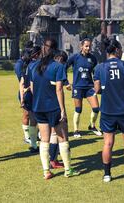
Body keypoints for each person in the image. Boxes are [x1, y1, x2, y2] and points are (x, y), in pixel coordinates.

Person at [30, 38, 79, 179]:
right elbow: (59, 89)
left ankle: (46, 171)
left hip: (38, 107)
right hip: (53, 107)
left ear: (43, 48)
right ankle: (68, 170)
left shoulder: (34, 66)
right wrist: (62, 109)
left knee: (44, 140)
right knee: (62, 137)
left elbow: (33, 88)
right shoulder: (58, 67)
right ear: (55, 50)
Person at [94, 38, 124, 183]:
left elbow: (96, 89)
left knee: (108, 143)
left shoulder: (100, 67)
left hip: (108, 110)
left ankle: (107, 175)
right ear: (117, 50)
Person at [66, 38, 102, 138]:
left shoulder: (93, 58)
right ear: (81, 46)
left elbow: (96, 73)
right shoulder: (75, 57)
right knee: (78, 109)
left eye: (89, 46)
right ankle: (76, 130)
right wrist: (66, 82)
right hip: (78, 87)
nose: (88, 48)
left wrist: (97, 83)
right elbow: (64, 68)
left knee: (96, 108)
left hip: (89, 87)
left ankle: (92, 126)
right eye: (86, 46)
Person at [16, 46, 38, 151]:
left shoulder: (26, 66)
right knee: (34, 119)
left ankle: (33, 142)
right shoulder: (35, 66)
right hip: (32, 95)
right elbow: (33, 84)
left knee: (30, 117)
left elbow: (21, 83)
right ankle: (34, 143)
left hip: (26, 95)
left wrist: (22, 98)